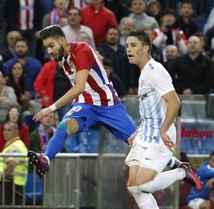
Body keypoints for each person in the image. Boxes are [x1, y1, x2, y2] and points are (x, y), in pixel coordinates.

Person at [27, 25, 186, 177]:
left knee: (139, 144)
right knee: (64, 125)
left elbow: (79, 87)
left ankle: (178, 167)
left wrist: (50, 108)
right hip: (86, 106)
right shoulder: (64, 59)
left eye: (51, 45)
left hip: (109, 105)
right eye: (47, 47)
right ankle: (46, 159)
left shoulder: (81, 50)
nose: (49, 51)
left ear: (62, 40)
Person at [124, 30, 201, 209]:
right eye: (127, 46)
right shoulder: (143, 73)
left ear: (146, 47)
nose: (128, 49)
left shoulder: (156, 70)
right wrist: (138, 131)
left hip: (161, 133)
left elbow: (175, 102)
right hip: (146, 132)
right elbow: (151, 110)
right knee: (133, 186)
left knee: (143, 184)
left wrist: (164, 129)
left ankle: (182, 172)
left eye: (132, 45)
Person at [0, 121, 28, 206]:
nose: (5, 132)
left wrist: (2, 176)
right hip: (13, 182)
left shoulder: (16, 146)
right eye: (4, 130)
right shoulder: (12, 145)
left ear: (16, 131)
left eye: (9, 130)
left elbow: (12, 164)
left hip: (11, 183)